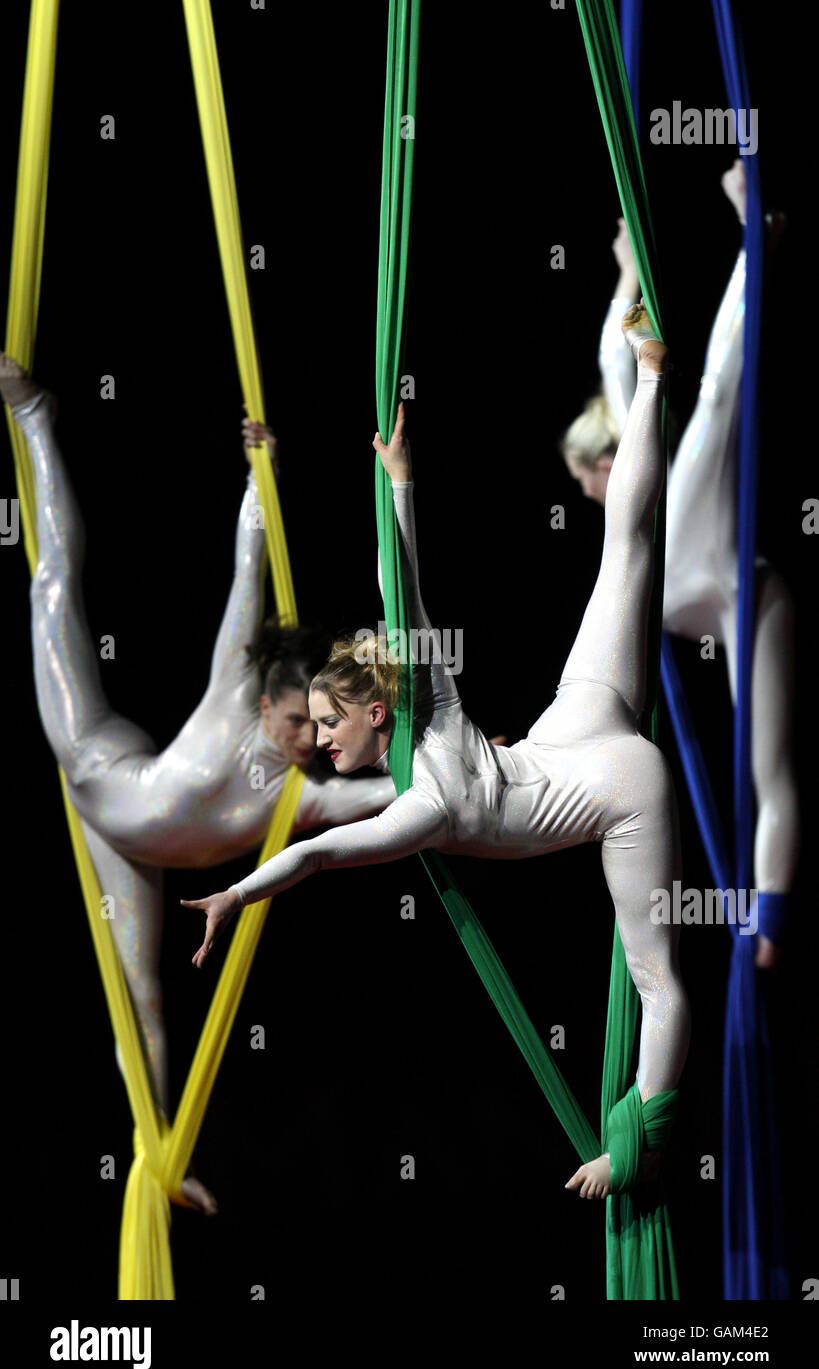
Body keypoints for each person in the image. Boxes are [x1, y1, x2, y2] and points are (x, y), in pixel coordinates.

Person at [182, 311, 693, 1201]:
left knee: (658, 981)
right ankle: (649, 375)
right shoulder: (437, 709)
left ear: (374, 713)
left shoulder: (424, 808)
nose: (320, 739)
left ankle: (640, 1146)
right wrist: (402, 488)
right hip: (569, 729)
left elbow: (319, 854)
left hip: (612, 787)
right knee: (624, 545)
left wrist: (236, 892)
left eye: (327, 724)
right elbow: (403, 591)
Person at [1, 356, 396, 1211]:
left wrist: (474, 761)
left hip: (125, 845)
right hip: (98, 756)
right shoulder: (232, 694)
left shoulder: (304, 799)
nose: (309, 741)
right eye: (298, 724)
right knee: (53, 583)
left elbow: (401, 798)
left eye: (323, 729)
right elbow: (246, 574)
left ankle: (161, 1155)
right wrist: (264, 474)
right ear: (266, 702)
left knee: (144, 1002)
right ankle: (35, 417)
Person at [561, 160, 798, 971]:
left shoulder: (657, 465)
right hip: (698, 591)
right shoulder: (629, 524)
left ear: (602, 461)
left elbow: (692, 372)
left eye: (584, 478)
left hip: (745, 594)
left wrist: (738, 244)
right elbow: (608, 357)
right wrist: (624, 271)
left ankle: (769, 915)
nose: (589, 493)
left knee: (765, 758)